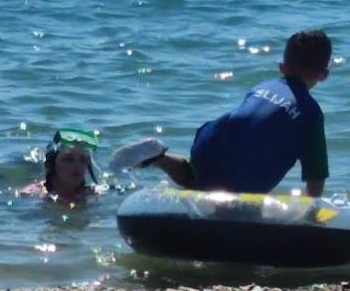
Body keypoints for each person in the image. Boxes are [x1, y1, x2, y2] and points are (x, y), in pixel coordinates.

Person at [109, 29, 332, 197]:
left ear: (281, 67)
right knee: (237, 204)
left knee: (197, 176)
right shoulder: (311, 113)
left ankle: (160, 157)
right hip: (244, 169)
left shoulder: (262, 88)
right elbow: (316, 176)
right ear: (324, 75)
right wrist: (309, 219)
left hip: (210, 139)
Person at [20, 128, 101, 203]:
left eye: (82, 159)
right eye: (68, 159)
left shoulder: (93, 194)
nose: (77, 165)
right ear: (52, 163)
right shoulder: (31, 194)